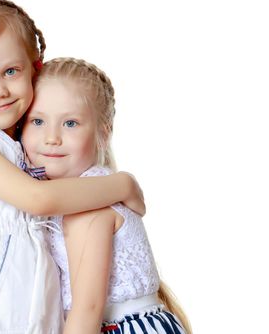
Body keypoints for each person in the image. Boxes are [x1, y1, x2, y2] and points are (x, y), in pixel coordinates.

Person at [0, 0, 145, 334]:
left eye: (11, 71)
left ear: (34, 69)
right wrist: (124, 184)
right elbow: (38, 199)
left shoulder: (25, 146)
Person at [21, 57, 192, 334]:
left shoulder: (89, 202)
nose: (52, 137)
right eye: (37, 121)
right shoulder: (71, 195)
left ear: (103, 132)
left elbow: (87, 309)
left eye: (71, 123)